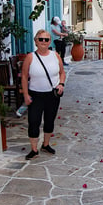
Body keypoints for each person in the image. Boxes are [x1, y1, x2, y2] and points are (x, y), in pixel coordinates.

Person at [21, 30, 66, 160]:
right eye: (41, 39)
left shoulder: (55, 55)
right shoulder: (31, 57)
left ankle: (45, 144)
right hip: (36, 95)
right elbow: (24, 77)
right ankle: (34, 149)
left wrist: (61, 84)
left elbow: (62, 72)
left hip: (52, 95)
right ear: (35, 41)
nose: (44, 42)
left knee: (49, 120)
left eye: (46, 39)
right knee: (34, 121)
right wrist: (25, 94)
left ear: (50, 41)